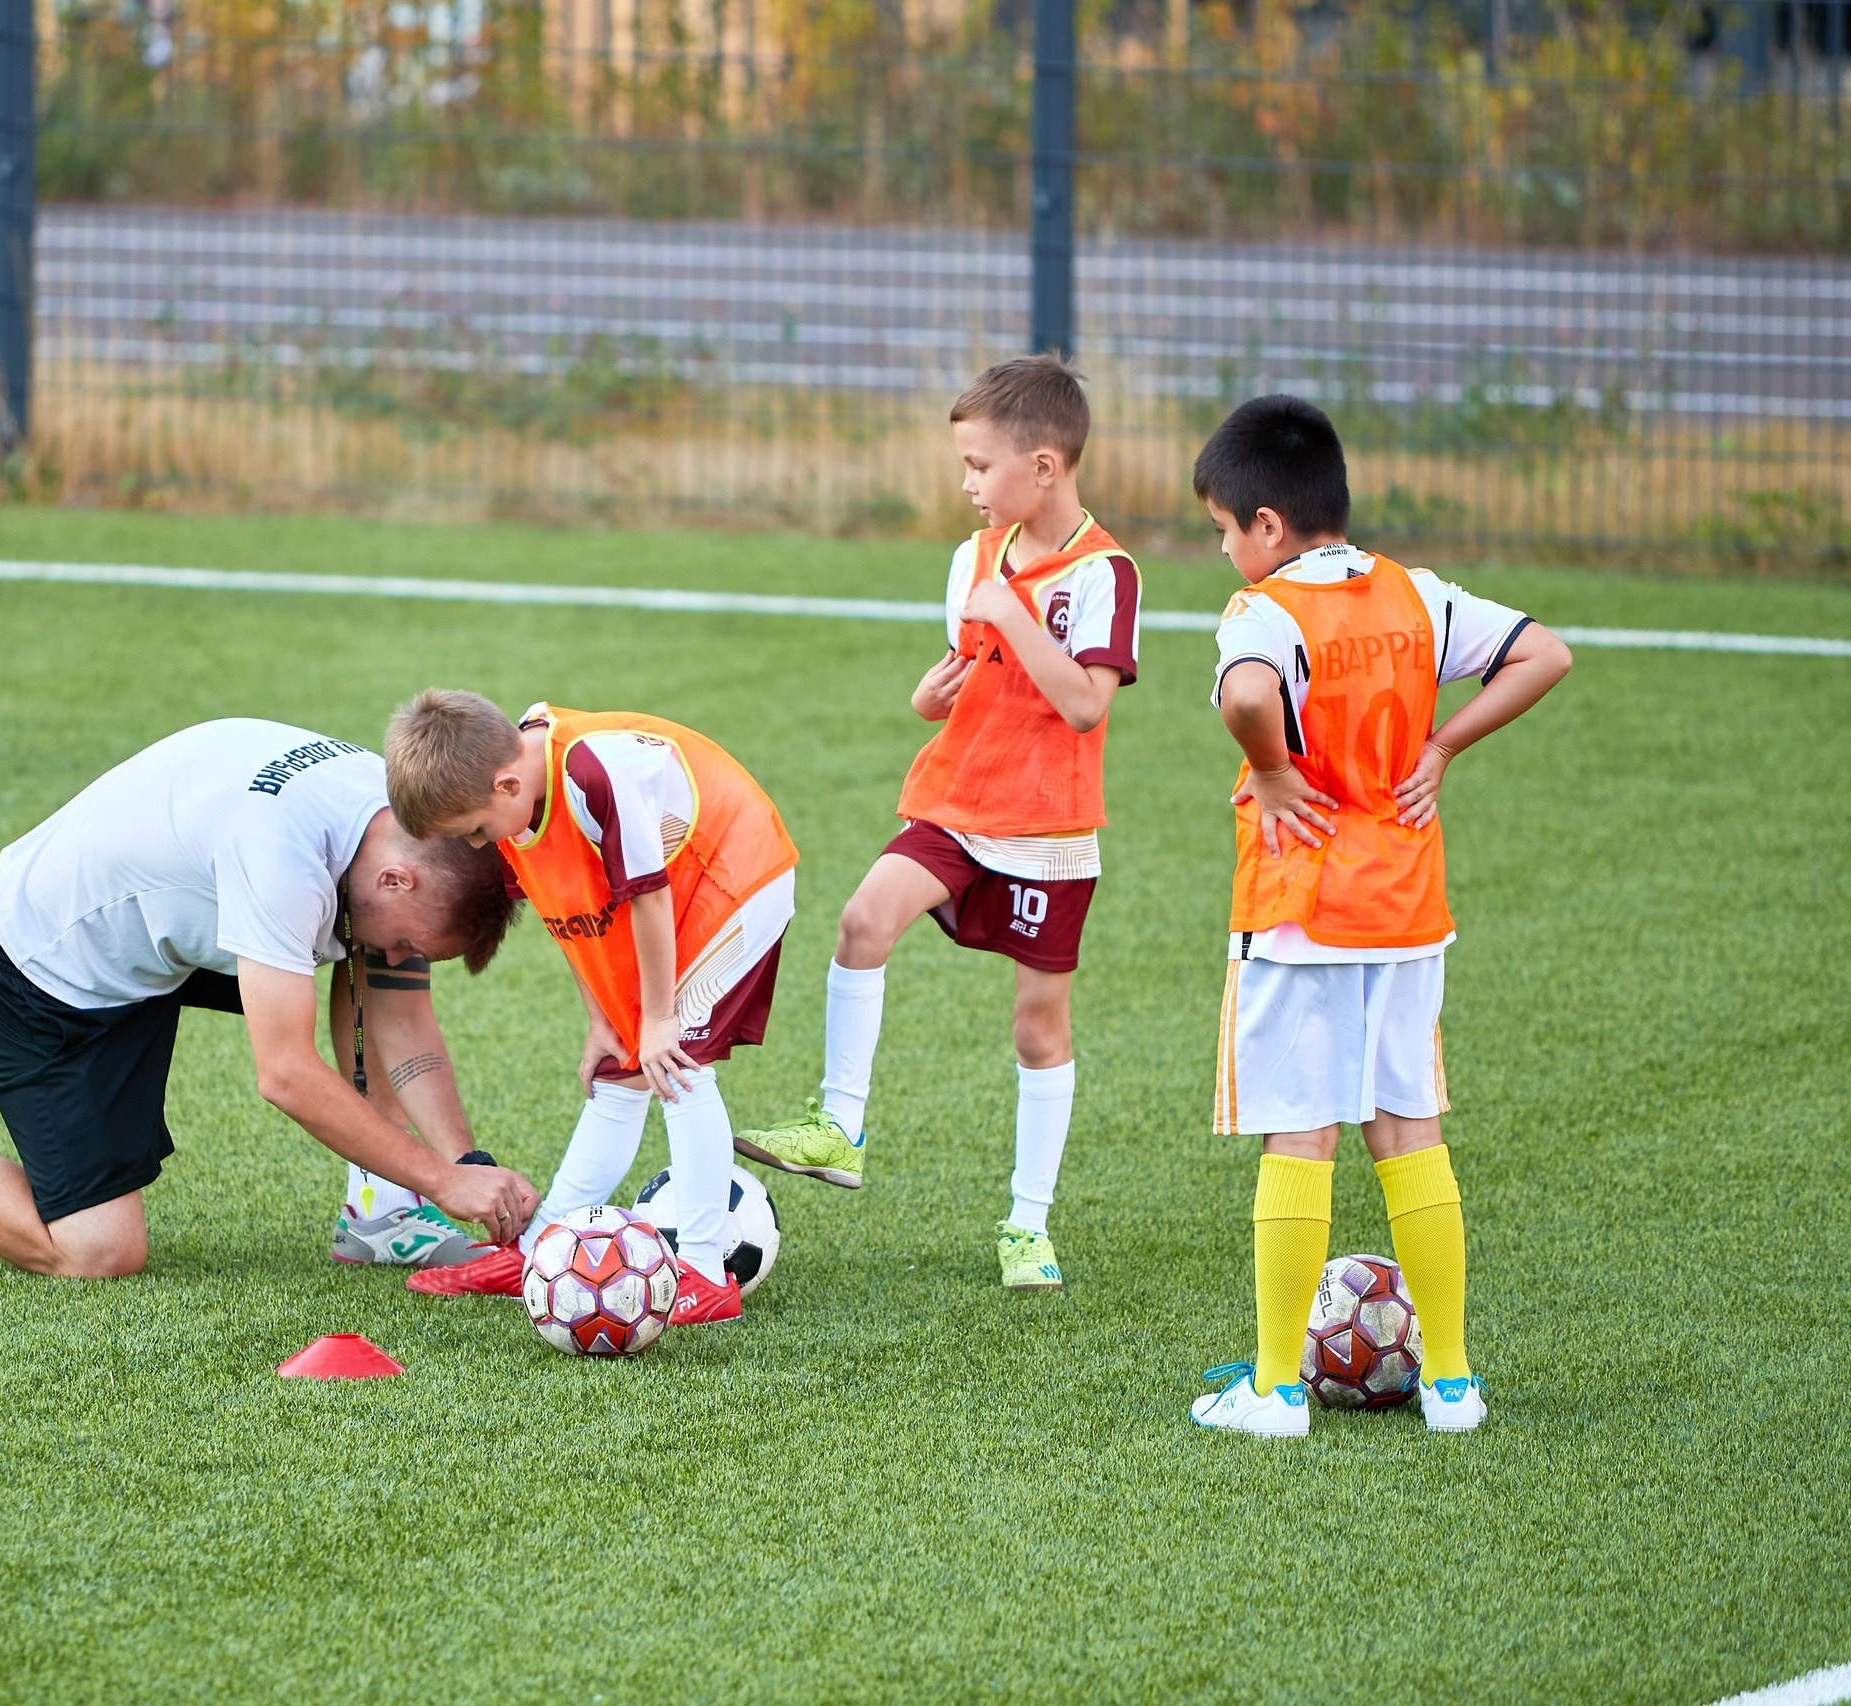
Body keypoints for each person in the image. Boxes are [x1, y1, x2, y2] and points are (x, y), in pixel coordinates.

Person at [0, 719, 540, 1277]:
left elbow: (400, 1014)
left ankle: (379, 1213)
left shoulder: (399, 811)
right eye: (414, 941)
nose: (407, 960)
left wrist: (469, 1164)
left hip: (164, 935)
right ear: (398, 879)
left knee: (369, 968)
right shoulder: (282, 861)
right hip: (44, 967)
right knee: (96, 1253)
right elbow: (284, 1074)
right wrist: (443, 1182)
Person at [1185, 396, 1572, 1438]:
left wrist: (1269, 770)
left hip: (1300, 908)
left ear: (1267, 523)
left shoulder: (1262, 609)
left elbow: (1247, 695)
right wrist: (1441, 747)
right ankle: (1451, 1382)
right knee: (1408, 1126)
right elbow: (1545, 653)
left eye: (1223, 529)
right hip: (1405, 906)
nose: (1224, 549)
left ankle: (1271, 1388)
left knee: (1298, 1131)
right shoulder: (1416, 593)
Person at [732, 355, 1141, 1292]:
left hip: (1047, 830)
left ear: (1044, 467)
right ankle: (842, 1124)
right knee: (863, 922)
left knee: (1039, 1028)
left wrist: (1016, 611)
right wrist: (928, 694)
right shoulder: (973, 559)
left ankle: (1027, 1223)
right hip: (954, 801)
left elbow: (1084, 705)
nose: (965, 485)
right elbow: (966, 673)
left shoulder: (1107, 574)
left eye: (979, 467)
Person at [386, 690, 798, 1326]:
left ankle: (706, 1271)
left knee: (675, 1066)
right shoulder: (510, 804)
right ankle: (533, 1252)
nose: (474, 845)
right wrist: (602, 1019)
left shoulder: (594, 771)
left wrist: (658, 1019)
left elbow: (649, 896)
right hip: (670, 895)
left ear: (506, 782)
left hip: (732, 879)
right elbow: (567, 914)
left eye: (472, 829)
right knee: (619, 1075)